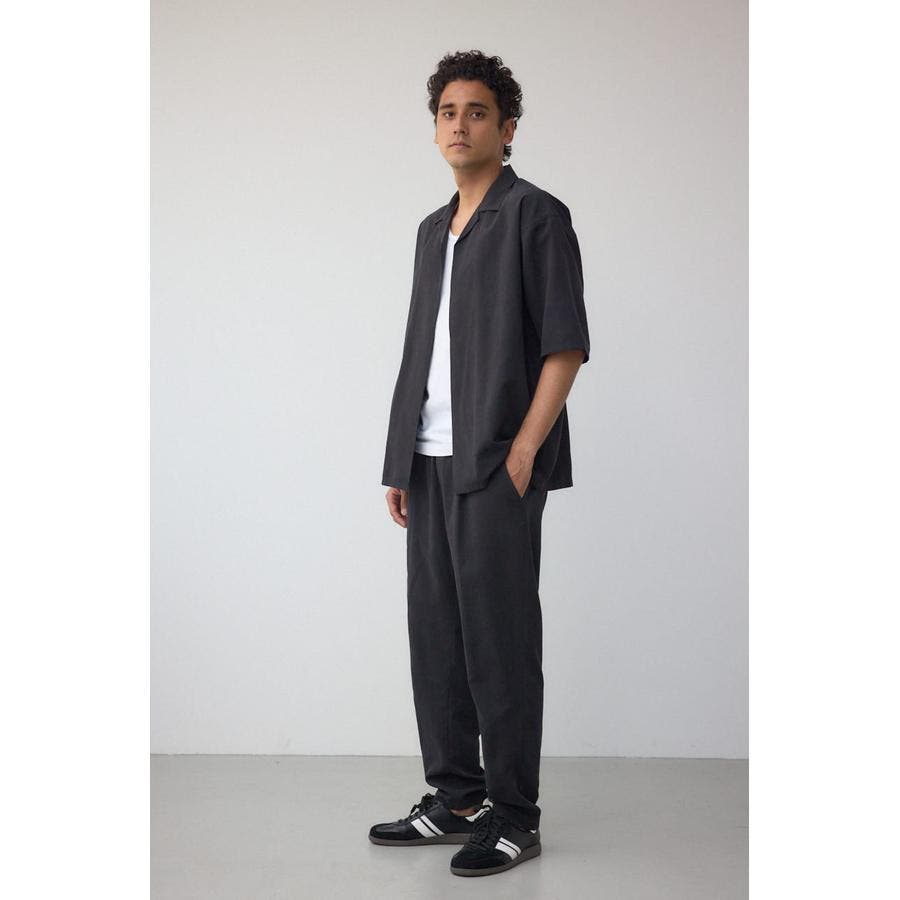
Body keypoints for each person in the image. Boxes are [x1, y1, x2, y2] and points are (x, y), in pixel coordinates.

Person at [371, 49, 591, 878]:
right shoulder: (433, 231)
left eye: (477, 112)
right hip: (428, 461)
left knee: (500, 638)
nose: (459, 125)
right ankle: (456, 796)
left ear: (507, 127)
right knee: (436, 634)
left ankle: (515, 813)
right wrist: (400, 456)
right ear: (435, 129)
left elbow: (565, 344)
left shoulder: (536, 216)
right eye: (447, 112)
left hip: (498, 460)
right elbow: (421, 351)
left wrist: (526, 448)